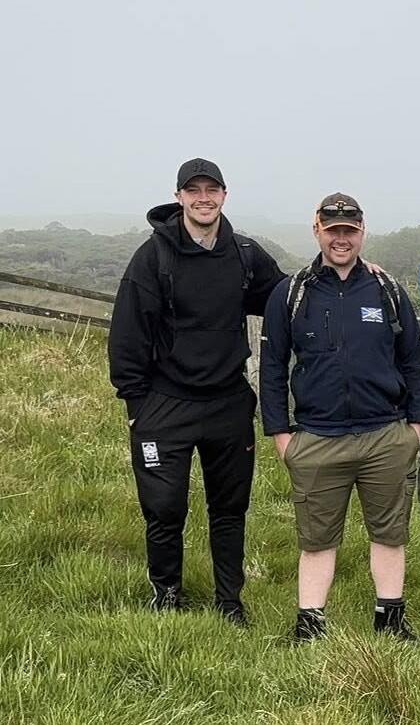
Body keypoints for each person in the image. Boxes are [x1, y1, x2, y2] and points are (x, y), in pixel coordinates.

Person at [108, 158, 284, 624]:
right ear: (179, 196)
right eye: (194, 190)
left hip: (227, 401)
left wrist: (336, 272)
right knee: (164, 508)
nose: (204, 198)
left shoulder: (244, 254)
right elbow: (128, 330)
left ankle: (229, 602)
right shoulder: (154, 256)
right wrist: (135, 404)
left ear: (225, 195)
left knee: (229, 508)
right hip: (164, 403)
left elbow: (286, 300)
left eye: (213, 189)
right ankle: (167, 594)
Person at [259, 193, 420, 641]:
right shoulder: (291, 293)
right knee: (316, 539)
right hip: (316, 438)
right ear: (317, 229)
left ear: (361, 232)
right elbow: (272, 366)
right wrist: (280, 434)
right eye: (332, 230)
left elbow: (412, 359)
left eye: (349, 231)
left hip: (384, 436)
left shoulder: (386, 289)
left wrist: (415, 427)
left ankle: (390, 621)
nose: (341, 239)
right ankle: (310, 626)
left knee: (390, 534)